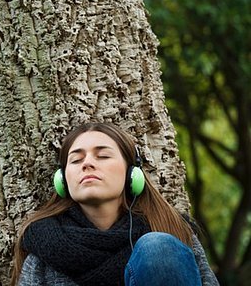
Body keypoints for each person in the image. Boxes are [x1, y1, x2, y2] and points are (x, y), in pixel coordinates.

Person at [11, 122, 219, 286]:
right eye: (75, 160)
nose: (87, 164)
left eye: (102, 156)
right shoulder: (46, 244)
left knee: (158, 248)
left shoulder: (169, 228)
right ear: (62, 181)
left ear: (132, 173)